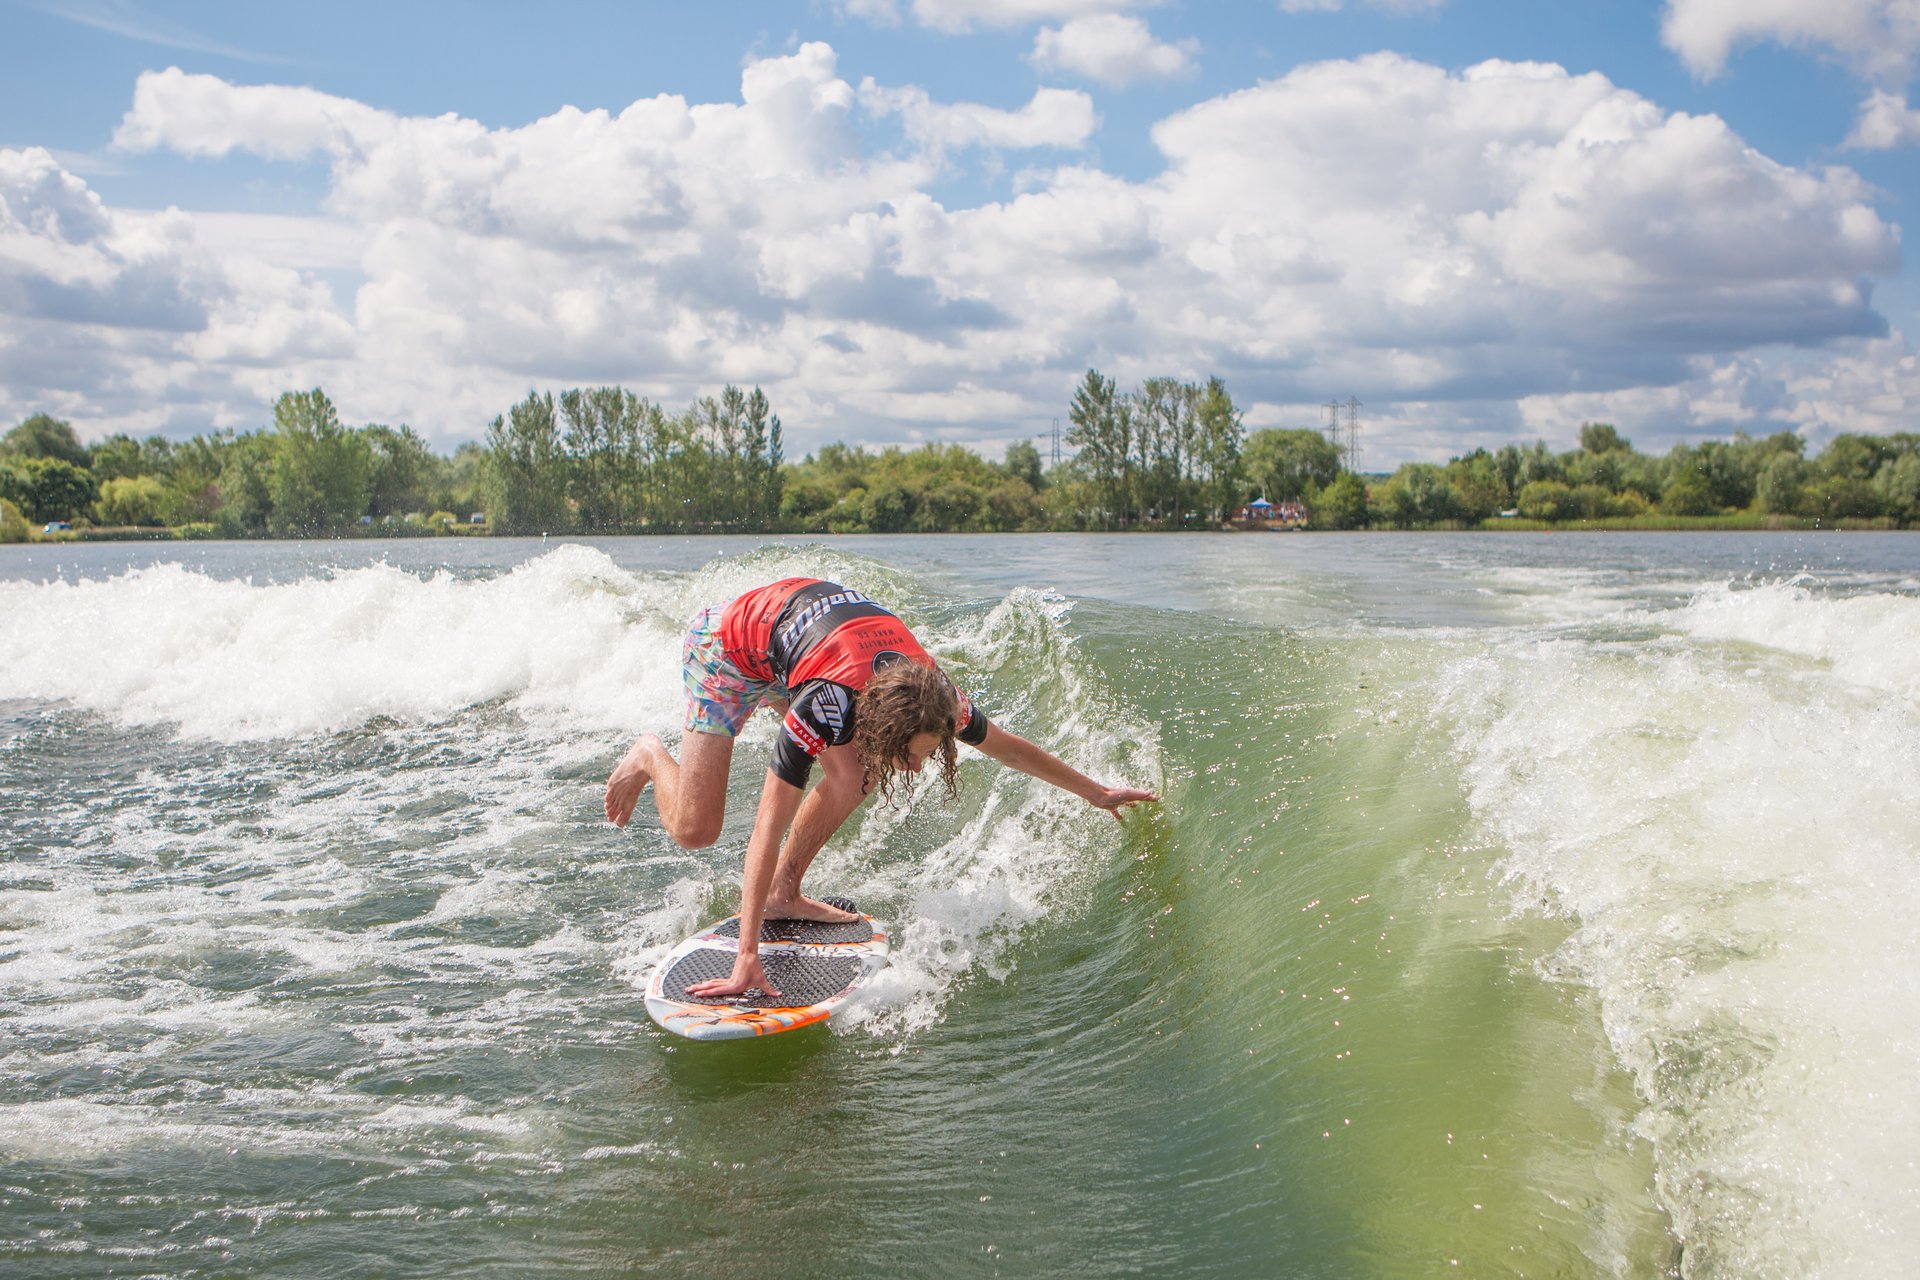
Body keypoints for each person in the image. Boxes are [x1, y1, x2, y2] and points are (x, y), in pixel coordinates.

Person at [605, 577, 1159, 999]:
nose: (915, 768)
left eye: (924, 755)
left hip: (801, 644)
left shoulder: (935, 697)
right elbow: (766, 829)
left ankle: (784, 894)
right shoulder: (822, 707)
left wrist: (1096, 793)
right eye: (910, 755)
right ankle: (649, 754)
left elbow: (1008, 748)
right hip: (727, 649)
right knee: (697, 829)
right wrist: (745, 956)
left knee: (857, 776)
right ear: (875, 724)